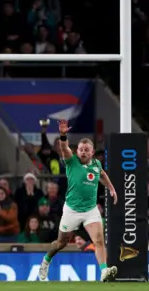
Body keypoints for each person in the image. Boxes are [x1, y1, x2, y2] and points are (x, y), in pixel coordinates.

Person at [39, 120, 118, 282]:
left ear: (92, 152)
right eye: (80, 150)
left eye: (86, 150)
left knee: (99, 240)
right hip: (72, 210)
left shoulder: (96, 164)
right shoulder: (71, 161)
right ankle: (46, 260)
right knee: (61, 243)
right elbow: (64, 148)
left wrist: (111, 188)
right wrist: (62, 135)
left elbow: (102, 174)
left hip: (90, 210)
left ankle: (103, 272)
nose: (82, 152)